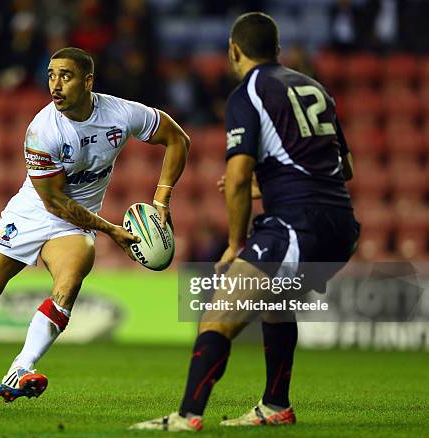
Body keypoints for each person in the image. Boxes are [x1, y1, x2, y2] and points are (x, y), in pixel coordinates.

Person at [0, 47, 190, 405]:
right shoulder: (42, 131)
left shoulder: (121, 113)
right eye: (51, 75)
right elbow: (54, 202)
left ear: (88, 82)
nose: (55, 85)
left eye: (65, 76)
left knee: (69, 283)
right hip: (31, 214)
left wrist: (161, 199)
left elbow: (178, 138)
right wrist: (112, 230)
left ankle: (21, 368)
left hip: (73, 226)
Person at [131, 12, 359, 431]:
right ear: (276, 50)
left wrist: (236, 243)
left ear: (234, 51)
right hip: (341, 226)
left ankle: (187, 416)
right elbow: (343, 167)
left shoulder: (247, 93)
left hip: (296, 224)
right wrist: (270, 186)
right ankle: (275, 405)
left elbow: (235, 176)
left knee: (218, 314)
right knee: (275, 306)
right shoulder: (314, 88)